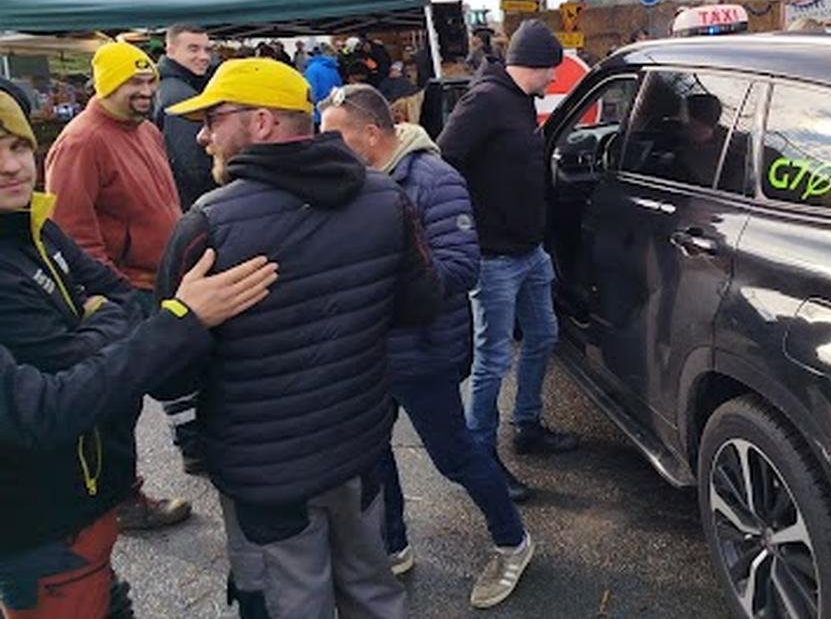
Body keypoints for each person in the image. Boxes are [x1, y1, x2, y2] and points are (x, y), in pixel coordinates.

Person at [159, 58, 442, 619]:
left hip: (266, 474)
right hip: (357, 446)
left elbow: (171, 375)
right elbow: (420, 305)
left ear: (262, 122)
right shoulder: (385, 198)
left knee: (290, 605)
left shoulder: (205, 225)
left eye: (214, 118)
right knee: (372, 591)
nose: (203, 135)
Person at [0, 77, 277, 619]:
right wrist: (179, 319)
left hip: (90, 494)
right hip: (39, 520)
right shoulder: (63, 170)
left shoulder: (31, 223)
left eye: (15, 147)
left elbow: (117, 296)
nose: (11, 166)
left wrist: (92, 336)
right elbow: (46, 408)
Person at [319, 84, 533, 610]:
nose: (322, 148)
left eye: (334, 137)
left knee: (454, 455)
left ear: (371, 134)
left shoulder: (433, 178)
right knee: (372, 452)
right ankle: (394, 544)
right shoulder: (351, 181)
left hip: (422, 349)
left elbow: (461, 268)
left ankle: (513, 541)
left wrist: (373, 287)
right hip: (370, 349)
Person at [44, 40, 196, 528]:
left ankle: (197, 449)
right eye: (133, 82)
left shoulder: (145, 131)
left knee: (184, 367)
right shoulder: (81, 141)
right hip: (126, 289)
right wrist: (111, 296)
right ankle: (121, 499)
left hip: (162, 280)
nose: (145, 90)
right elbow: (71, 231)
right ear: (104, 85)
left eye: (149, 80)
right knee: (119, 403)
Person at [438, 18, 578, 501]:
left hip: (529, 249)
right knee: (493, 359)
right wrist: (469, 224)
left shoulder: (518, 101)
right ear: (531, 66)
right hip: (494, 256)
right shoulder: (485, 101)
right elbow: (444, 160)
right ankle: (482, 454)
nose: (553, 82)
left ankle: (528, 425)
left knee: (543, 335)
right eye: (550, 73)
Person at [154, 25, 216, 211]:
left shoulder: (164, 85)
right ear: (170, 50)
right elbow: (193, 166)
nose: (204, 57)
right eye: (193, 49)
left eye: (207, 49)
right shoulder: (180, 96)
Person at [303, 43, 343, 118]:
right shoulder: (334, 69)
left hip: (317, 114)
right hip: (333, 112)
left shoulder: (312, 70)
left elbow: (311, 95)